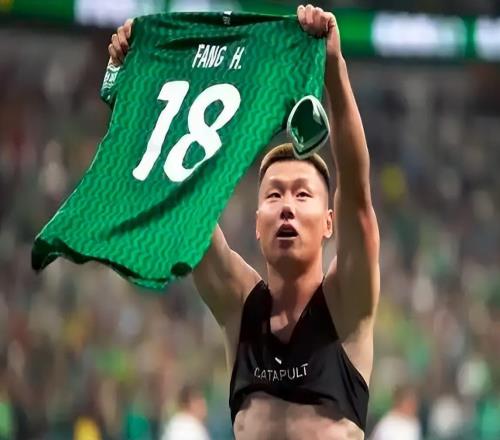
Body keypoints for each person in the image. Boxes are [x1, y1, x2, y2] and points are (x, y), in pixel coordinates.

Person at [109, 4, 380, 439]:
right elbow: (178, 189)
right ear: (256, 224)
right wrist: (139, 82)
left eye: (302, 194)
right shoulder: (239, 307)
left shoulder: (345, 303)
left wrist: (334, 67)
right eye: (274, 194)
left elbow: (356, 189)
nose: (287, 206)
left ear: (329, 222)